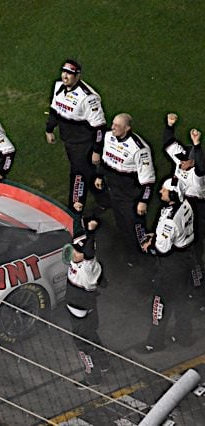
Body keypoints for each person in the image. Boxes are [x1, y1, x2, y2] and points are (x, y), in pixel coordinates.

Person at [138, 178, 195, 353]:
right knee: (182, 300)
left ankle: (154, 343)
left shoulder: (170, 221)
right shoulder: (186, 204)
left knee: (160, 303)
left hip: (171, 266)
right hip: (186, 259)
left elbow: (162, 249)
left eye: (163, 190)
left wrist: (149, 246)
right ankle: (184, 336)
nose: (160, 192)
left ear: (172, 194)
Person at [46, 59, 107, 215]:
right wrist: (49, 129)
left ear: (78, 75)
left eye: (70, 74)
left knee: (78, 173)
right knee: (88, 172)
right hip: (69, 141)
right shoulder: (58, 86)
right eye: (64, 72)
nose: (65, 76)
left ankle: (74, 208)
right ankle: (104, 199)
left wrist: (96, 150)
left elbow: (99, 127)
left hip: (84, 143)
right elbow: (54, 110)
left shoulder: (88, 98)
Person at [95, 113, 156, 254]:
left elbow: (148, 179)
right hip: (114, 190)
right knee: (120, 222)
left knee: (134, 225)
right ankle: (126, 248)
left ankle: (141, 252)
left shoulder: (140, 149)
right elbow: (106, 160)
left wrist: (143, 200)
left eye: (117, 126)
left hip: (131, 196)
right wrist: (99, 176)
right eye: (113, 124)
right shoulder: (108, 136)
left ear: (127, 128)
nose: (113, 127)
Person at [64, 218, 108, 386]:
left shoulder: (88, 268)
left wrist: (92, 232)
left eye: (76, 251)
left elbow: (88, 252)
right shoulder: (81, 260)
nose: (72, 253)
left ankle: (93, 376)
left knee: (82, 344)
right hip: (85, 309)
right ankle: (104, 363)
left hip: (81, 312)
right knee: (93, 336)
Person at [163, 114, 205, 283]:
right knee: (179, 237)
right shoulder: (181, 158)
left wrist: (197, 144)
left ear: (193, 162)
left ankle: (198, 275)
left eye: (187, 161)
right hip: (182, 204)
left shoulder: (199, 174)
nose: (182, 163)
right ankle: (181, 269)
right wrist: (170, 125)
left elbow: (201, 165)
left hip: (198, 208)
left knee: (195, 241)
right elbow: (168, 143)